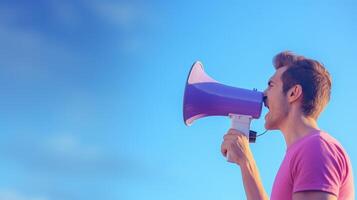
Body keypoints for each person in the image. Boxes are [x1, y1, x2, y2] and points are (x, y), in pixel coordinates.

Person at [221, 51, 354, 200]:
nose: (263, 95)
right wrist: (246, 163)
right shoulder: (304, 150)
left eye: (271, 85)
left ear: (293, 93)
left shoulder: (315, 147)